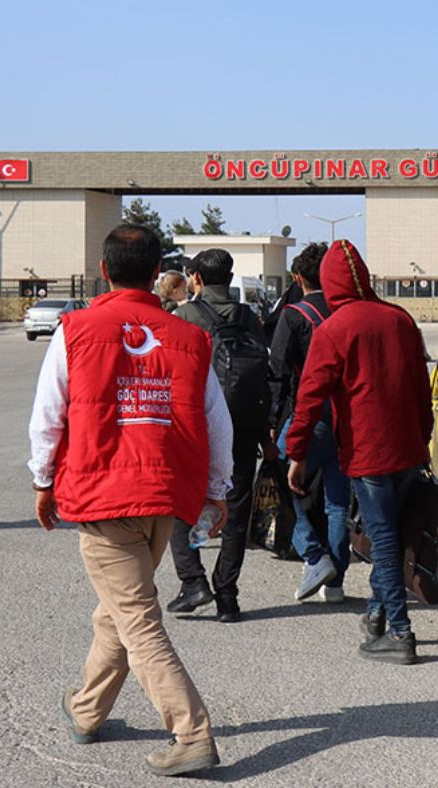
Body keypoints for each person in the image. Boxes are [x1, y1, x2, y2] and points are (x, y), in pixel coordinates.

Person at [28, 224, 230, 777]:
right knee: (116, 612)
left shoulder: (77, 329)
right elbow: (217, 421)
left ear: (104, 268)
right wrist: (218, 489)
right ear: (157, 271)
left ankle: (191, 732)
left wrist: (43, 480)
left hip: (103, 494)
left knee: (137, 620)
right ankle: (88, 710)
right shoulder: (188, 337)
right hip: (163, 497)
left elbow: (49, 415)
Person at [283, 240, 432, 665]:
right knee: (393, 535)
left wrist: (297, 453)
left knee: (382, 539)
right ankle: (376, 612)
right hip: (407, 448)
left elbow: (309, 398)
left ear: (329, 284)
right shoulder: (400, 319)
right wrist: (422, 438)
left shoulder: (335, 327)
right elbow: (422, 388)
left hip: (369, 452)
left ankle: (401, 633)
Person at [162, 248, 271, 624]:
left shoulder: (186, 316)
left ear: (196, 278)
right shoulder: (249, 316)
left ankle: (193, 581)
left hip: (196, 425)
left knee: (181, 504)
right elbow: (265, 372)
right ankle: (228, 595)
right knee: (237, 509)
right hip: (243, 423)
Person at [269, 242, 354, 604]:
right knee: (338, 503)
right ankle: (335, 584)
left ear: (297, 277)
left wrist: (275, 422)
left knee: (275, 483)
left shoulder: (293, 315)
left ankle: (313, 555)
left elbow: (278, 375)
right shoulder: (346, 313)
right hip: (345, 419)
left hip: (308, 415)